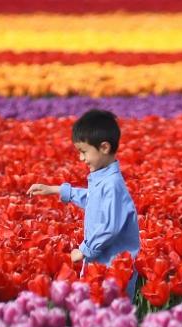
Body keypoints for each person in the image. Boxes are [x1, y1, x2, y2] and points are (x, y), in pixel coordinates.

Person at [27, 109, 140, 297]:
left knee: (112, 313)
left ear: (104, 148)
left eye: (84, 152)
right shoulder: (102, 178)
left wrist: (85, 250)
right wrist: (56, 190)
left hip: (115, 267)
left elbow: (110, 227)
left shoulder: (112, 185)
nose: (81, 158)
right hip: (104, 263)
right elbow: (92, 199)